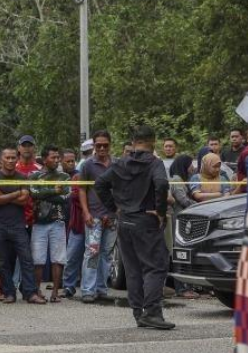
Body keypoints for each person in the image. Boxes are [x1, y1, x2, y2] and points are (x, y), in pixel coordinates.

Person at [95, 124, 173, 329]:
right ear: (153, 141)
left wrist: (114, 208)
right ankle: (153, 312)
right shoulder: (155, 164)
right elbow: (162, 184)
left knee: (132, 269)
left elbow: (100, 184)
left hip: (125, 222)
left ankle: (138, 312)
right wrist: (160, 211)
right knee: (155, 266)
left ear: (134, 142)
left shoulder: (120, 163)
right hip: (146, 220)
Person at [0, 146, 45, 304]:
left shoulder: (23, 177)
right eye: (7, 158)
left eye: (13, 157)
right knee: (3, 262)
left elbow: (24, 200)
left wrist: (4, 196)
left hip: (19, 225)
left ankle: (30, 293)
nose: (11, 160)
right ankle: (9, 293)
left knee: (26, 259)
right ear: (1, 160)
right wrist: (15, 194)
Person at [78, 130, 116, 304]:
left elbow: (121, 190)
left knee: (107, 254)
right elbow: (82, 190)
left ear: (110, 145)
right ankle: (87, 289)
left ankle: (102, 288)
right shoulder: (87, 165)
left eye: (105, 145)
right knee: (92, 252)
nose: (102, 148)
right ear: (94, 146)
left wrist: (114, 212)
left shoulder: (116, 164)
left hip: (112, 216)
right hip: (93, 216)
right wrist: (86, 212)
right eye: (98, 145)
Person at [29, 145, 70, 302]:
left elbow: (65, 198)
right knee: (37, 259)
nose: (56, 160)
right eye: (53, 157)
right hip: (38, 222)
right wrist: (55, 191)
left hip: (58, 220)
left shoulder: (64, 177)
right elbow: (33, 194)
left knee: (58, 258)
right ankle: (37, 291)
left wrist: (44, 193)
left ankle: (55, 293)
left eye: (57, 157)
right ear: (45, 159)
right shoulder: (34, 176)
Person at [168, 154, 199, 300]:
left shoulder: (182, 180)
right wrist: (201, 205)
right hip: (178, 222)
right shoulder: (176, 180)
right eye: (190, 165)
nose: (192, 168)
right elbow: (182, 200)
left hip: (184, 222)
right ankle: (181, 289)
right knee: (180, 254)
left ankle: (188, 287)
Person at [62, 150, 84, 298]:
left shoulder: (80, 176)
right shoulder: (59, 178)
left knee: (88, 255)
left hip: (83, 221)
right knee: (71, 256)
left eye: (73, 160)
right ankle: (68, 286)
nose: (71, 163)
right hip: (68, 220)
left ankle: (87, 286)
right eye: (68, 161)